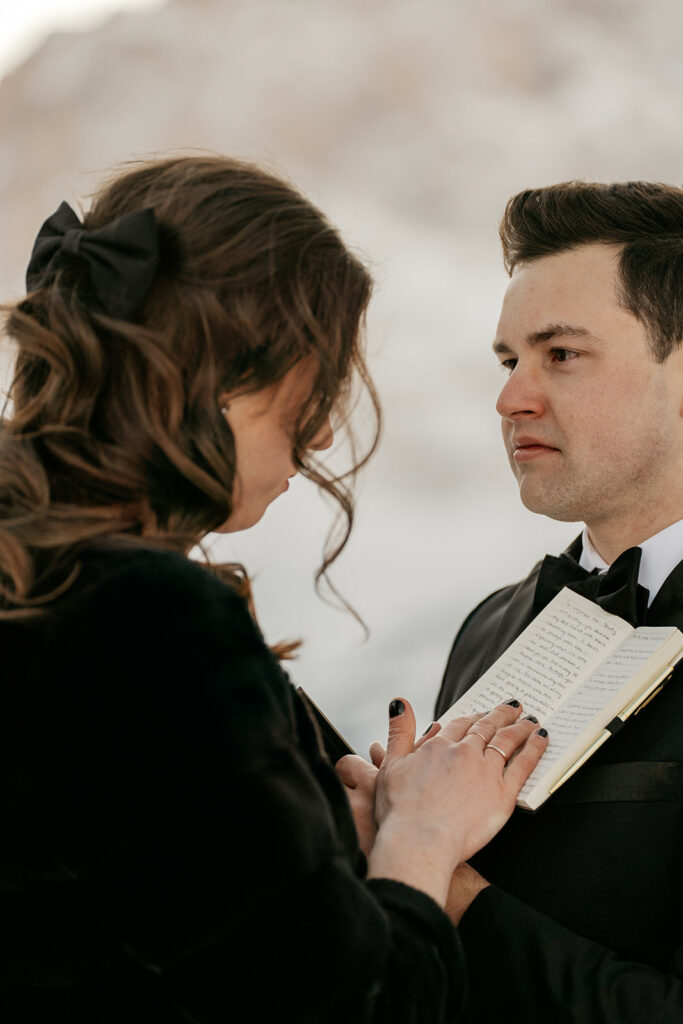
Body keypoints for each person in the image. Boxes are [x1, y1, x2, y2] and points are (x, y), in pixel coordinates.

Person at [0, 155, 548, 1023]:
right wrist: (423, 837)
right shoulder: (143, 620)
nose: (325, 430)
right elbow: (345, 1007)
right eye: (312, 385)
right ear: (215, 378)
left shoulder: (43, 582)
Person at [434, 180, 683, 1023]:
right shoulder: (489, 627)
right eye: (508, 361)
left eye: (560, 354)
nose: (510, 400)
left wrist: (452, 900)